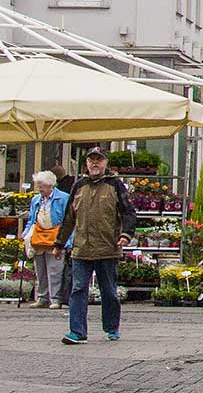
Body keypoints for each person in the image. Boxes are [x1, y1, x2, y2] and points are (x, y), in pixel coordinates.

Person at [53, 147, 135, 344]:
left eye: (99, 160)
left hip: (107, 248)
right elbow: (68, 218)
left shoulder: (115, 185)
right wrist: (59, 243)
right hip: (81, 248)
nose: (95, 163)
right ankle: (78, 332)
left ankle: (111, 327)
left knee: (109, 291)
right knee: (78, 289)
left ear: (105, 162)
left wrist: (126, 235)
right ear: (86, 163)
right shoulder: (79, 186)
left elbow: (128, 213)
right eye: (91, 160)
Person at [21, 171, 70, 309]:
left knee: (55, 270)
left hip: (56, 238)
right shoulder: (36, 200)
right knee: (40, 270)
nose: (39, 189)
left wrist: (68, 241)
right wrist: (25, 234)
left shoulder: (63, 198)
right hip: (38, 238)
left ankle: (55, 299)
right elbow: (32, 220)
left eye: (41, 186)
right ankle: (42, 297)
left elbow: (69, 221)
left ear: (50, 185)